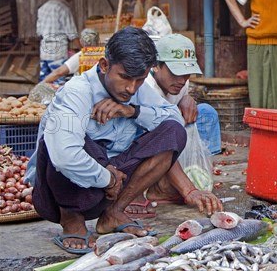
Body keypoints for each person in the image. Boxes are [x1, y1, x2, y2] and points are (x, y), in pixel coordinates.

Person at [24, 27, 222, 254]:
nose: (131, 87)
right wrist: (107, 178)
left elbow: (173, 118)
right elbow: (64, 157)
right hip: (62, 191)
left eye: (139, 80)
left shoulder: (136, 91)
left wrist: (131, 111)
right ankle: (71, 219)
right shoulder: (76, 92)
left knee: (172, 132)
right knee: (63, 137)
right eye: (125, 77)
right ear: (105, 65)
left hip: (110, 189)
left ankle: (114, 212)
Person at [135, 33, 221, 215]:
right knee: (168, 130)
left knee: (206, 113)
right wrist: (188, 190)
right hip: (143, 149)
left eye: (186, 74)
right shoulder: (144, 89)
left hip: (172, 135)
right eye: (175, 73)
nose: (181, 81)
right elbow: (160, 139)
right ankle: (158, 188)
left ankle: (199, 171)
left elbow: (180, 102)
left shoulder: (181, 82)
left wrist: (187, 98)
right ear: (156, 66)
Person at [36, 0, 82, 81]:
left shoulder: (43, 8)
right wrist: (83, 50)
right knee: (58, 84)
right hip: (58, 53)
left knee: (45, 84)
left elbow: (39, 32)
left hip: (44, 52)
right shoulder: (63, 9)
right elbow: (72, 35)